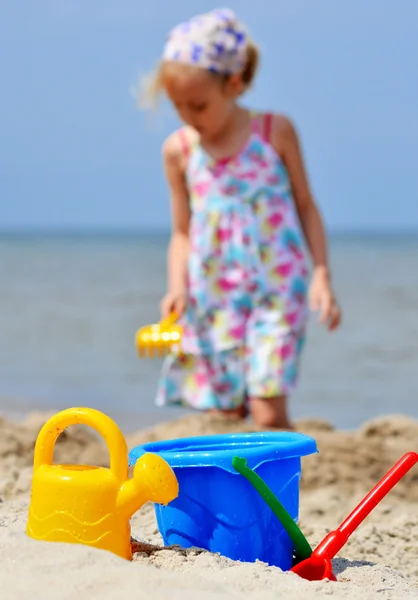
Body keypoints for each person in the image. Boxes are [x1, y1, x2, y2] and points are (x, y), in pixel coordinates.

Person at [141, 8, 341, 429]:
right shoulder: (179, 151)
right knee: (224, 413)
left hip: (277, 289)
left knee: (268, 408)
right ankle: (235, 493)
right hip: (212, 297)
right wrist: (176, 287)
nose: (188, 117)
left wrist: (321, 272)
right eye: (177, 106)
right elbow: (181, 232)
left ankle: (279, 489)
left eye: (198, 105)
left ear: (234, 84)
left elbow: (305, 203)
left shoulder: (274, 132)